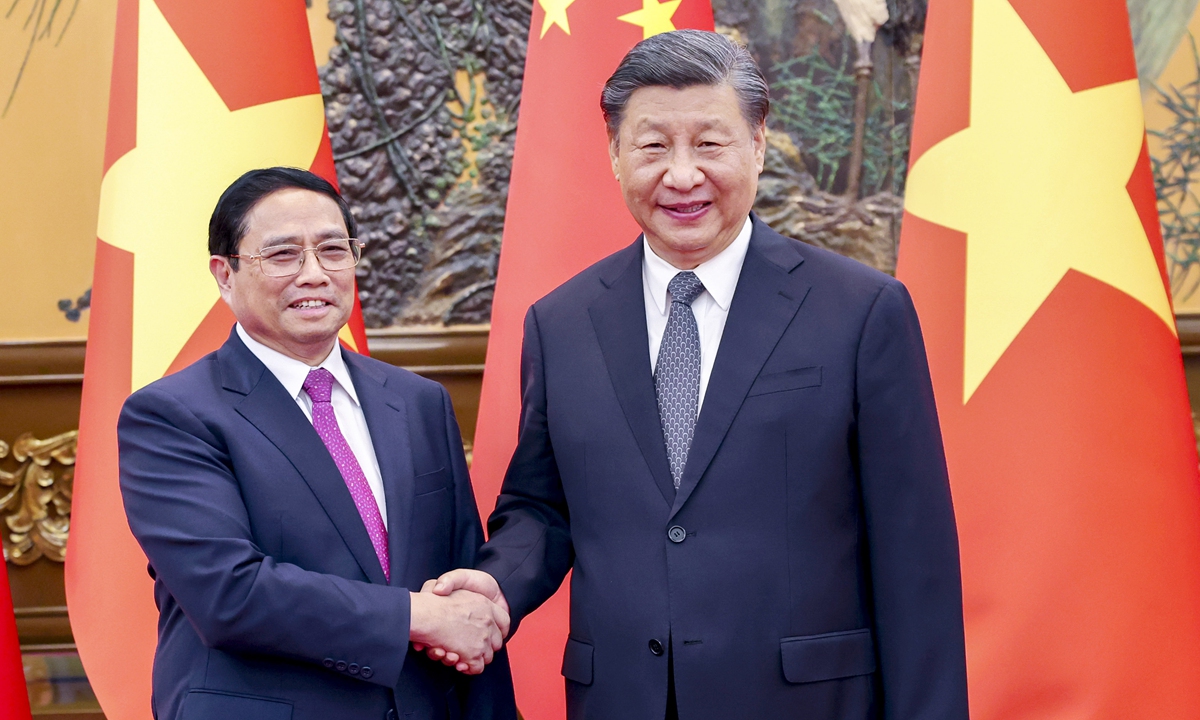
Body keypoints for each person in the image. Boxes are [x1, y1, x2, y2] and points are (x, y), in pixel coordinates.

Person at [426, 30, 969, 719]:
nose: (682, 176)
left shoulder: (860, 311)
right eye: (653, 147)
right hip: (624, 699)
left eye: (710, 144)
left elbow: (913, 555)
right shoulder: (560, 324)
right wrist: (494, 588)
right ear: (616, 156)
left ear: (759, 144)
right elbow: (544, 508)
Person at [117, 167, 516, 720]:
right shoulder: (172, 415)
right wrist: (412, 616)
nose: (314, 273)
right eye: (283, 255)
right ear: (225, 274)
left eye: (333, 249)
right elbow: (229, 595)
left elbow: (462, 586)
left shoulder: (418, 402)